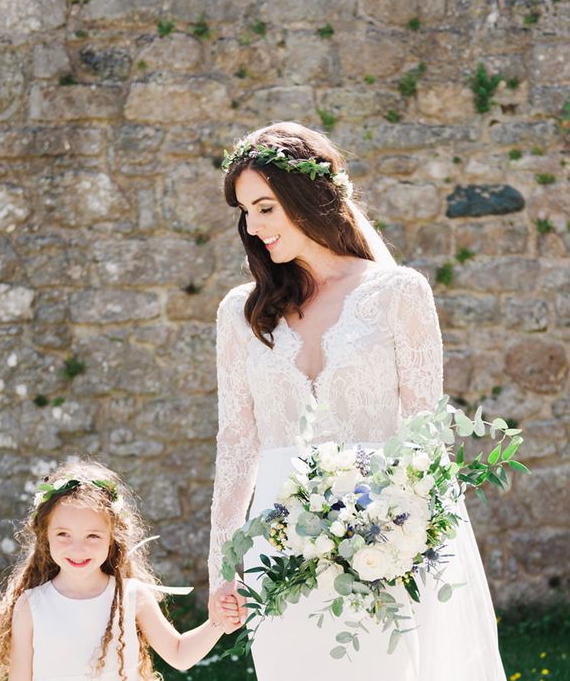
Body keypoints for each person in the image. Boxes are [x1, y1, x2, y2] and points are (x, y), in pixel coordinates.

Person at [207, 122, 506, 680]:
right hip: (276, 542)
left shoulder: (398, 294)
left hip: (381, 538)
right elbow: (237, 443)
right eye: (245, 211)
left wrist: (408, 539)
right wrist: (222, 567)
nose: (253, 226)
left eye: (266, 207)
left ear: (308, 199)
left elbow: (425, 437)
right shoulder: (239, 312)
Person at [0, 458, 241, 681]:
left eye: (92, 536)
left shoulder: (131, 595)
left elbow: (178, 653)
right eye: (63, 534)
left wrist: (218, 622)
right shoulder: (32, 604)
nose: (78, 548)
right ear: (45, 536)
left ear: (111, 538)